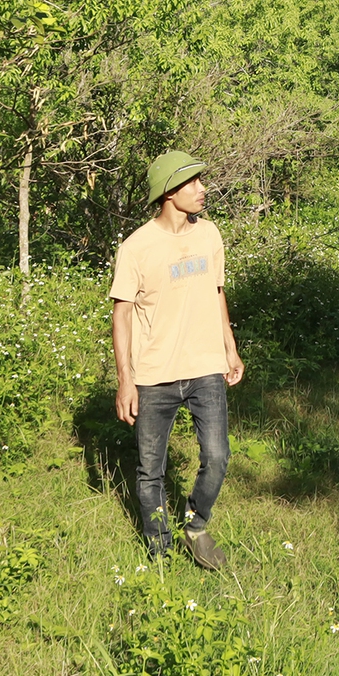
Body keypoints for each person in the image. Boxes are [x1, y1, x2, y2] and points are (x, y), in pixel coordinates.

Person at [109, 149, 244, 569]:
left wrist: (230, 347)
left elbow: (217, 292)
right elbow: (122, 313)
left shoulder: (210, 235)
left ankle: (195, 524)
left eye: (201, 181)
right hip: (154, 375)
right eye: (192, 183)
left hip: (205, 366)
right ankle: (159, 548)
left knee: (218, 457)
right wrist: (126, 380)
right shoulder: (137, 248)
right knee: (151, 470)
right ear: (168, 193)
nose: (203, 190)